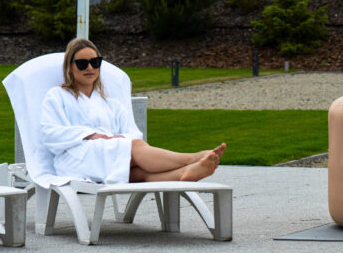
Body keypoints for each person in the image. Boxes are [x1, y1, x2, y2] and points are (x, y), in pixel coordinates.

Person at [41, 38, 226, 184]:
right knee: (134, 148)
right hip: (75, 160)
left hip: (109, 155)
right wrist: (91, 135)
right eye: (82, 64)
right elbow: (50, 133)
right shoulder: (57, 96)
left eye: (95, 62)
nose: (90, 68)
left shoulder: (111, 103)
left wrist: (119, 139)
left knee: (139, 171)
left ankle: (183, 173)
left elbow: (134, 133)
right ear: (70, 67)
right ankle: (191, 159)